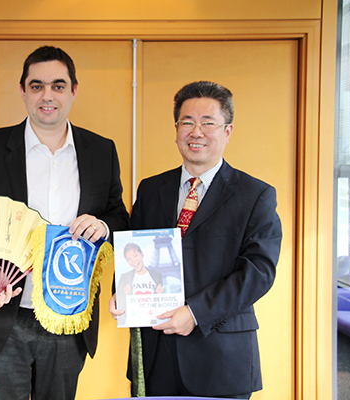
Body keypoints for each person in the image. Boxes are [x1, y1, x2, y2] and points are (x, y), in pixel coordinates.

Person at [0, 45, 130, 400]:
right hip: (0, 313)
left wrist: (103, 226)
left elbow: (119, 216)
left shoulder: (102, 151)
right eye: (37, 86)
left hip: (70, 313)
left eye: (58, 86)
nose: (47, 96)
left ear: (73, 91)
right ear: (23, 91)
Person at [109, 81, 282, 398]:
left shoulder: (255, 195)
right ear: (176, 129)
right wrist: (121, 291)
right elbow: (133, 249)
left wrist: (196, 312)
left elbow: (259, 272)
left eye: (208, 123)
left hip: (221, 358)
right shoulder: (151, 189)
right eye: (187, 122)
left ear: (227, 131)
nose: (196, 132)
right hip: (156, 355)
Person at [116, 242, 163, 325]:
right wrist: (126, 294)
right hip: (131, 322)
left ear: (142, 255)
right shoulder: (124, 277)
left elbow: (161, 303)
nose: (133, 261)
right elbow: (121, 304)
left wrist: (159, 295)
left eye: (135, 256)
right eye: (129, 259)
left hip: (153, 322)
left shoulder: (157, 275)